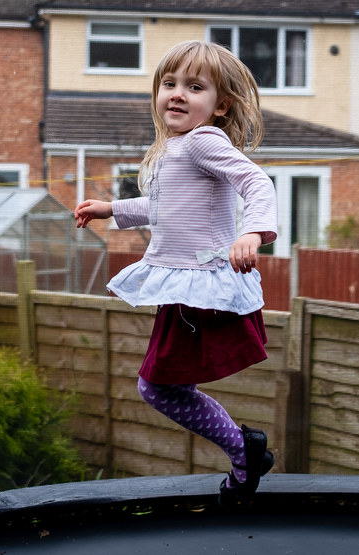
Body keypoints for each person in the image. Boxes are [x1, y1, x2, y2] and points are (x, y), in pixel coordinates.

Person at [74, 40, 278, 505]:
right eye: (170, 84)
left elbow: (256, 181)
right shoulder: (179, 147)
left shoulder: (204, 141)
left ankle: (243, 450)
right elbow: (168, 206)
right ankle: (244, 452)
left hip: (201, 286)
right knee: (163, 386)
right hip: (187, 287)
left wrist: (254, 232)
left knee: (158, 387)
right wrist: (114, 208)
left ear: (220, 105)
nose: (178, 94)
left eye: (194, 86)